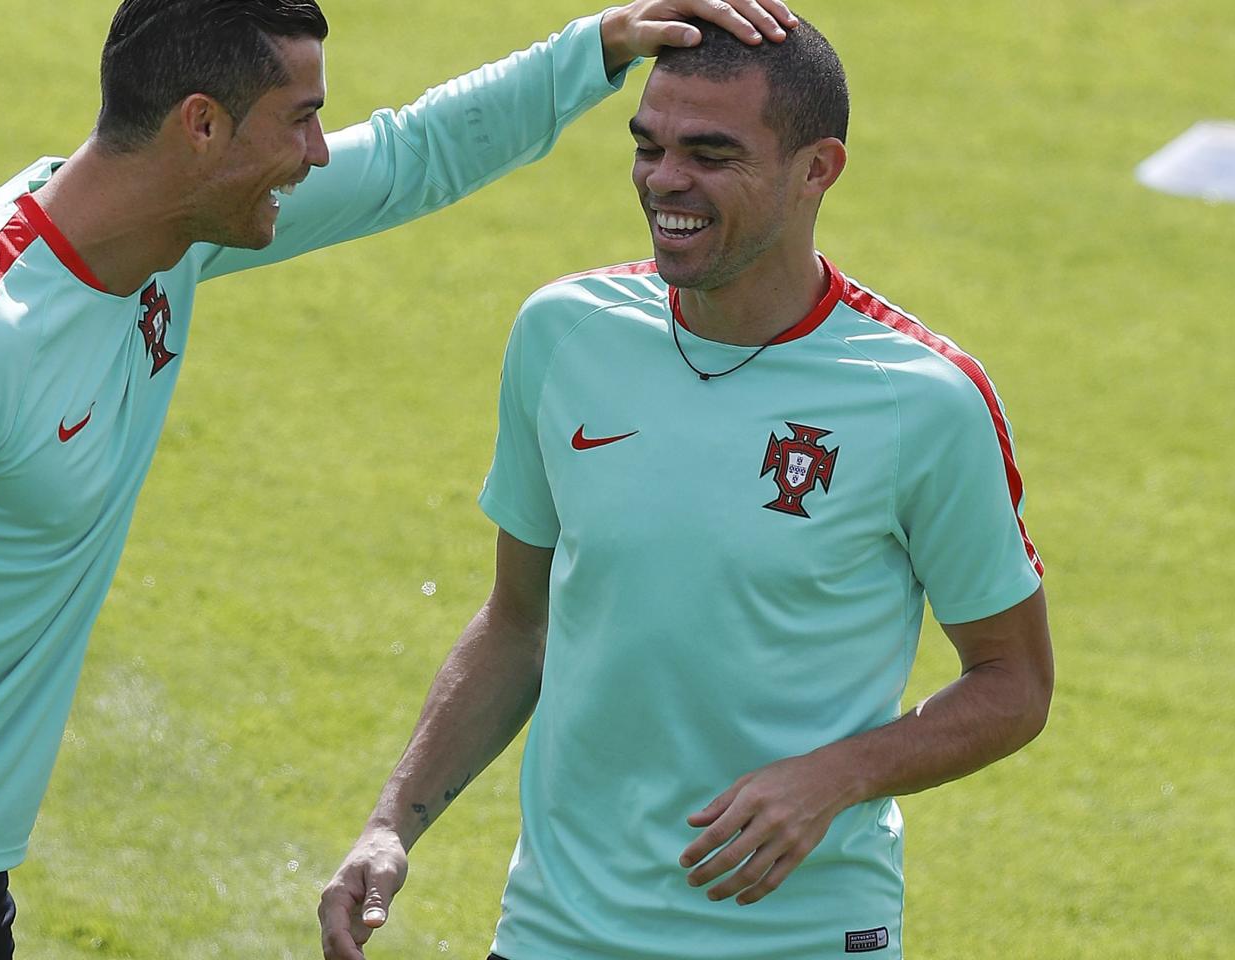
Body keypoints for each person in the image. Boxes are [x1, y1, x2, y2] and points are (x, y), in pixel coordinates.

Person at [0, 1, 804, 957]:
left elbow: (410, 158)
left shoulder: (166, 244)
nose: (314, 155)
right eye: (298, 121)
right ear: (201, 126)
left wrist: (590, 52)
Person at [319, 16, 1054, 960]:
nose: (665, 180)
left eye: (711, 154)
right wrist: (393, 824)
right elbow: (519, 623)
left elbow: (1014, 682)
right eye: (648, 145)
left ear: (817, 168)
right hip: (556, 932)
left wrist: (833, 776)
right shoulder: (566, 333)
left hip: (801, 939)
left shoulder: (922, 400)